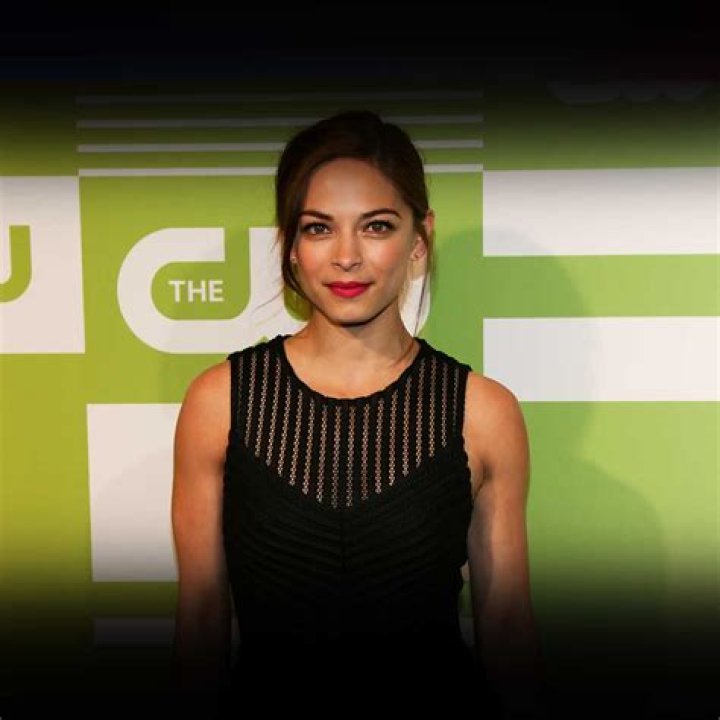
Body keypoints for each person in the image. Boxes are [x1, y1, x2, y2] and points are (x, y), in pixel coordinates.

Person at [171, 110, 544, 718]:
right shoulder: (220, 402)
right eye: (319, 228)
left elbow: (508, 632)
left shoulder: (483, 412)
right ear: (291, 246)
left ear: (419, 238)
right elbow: (201, 623)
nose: (346, 257)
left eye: (376, 226)